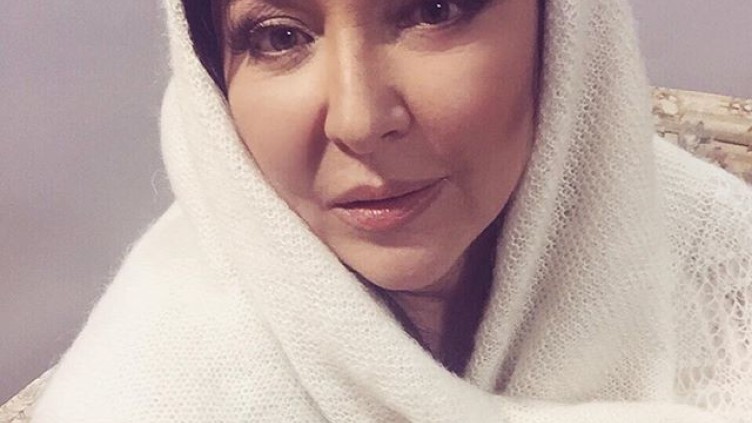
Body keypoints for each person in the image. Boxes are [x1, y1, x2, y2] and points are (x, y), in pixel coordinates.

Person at [32, 0, 752, 421]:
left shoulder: (713, 245)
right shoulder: (147, 393)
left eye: (432, 9)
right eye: (279, 36)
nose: (358, 118)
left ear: (564, 30)